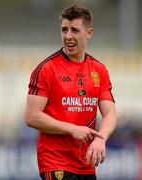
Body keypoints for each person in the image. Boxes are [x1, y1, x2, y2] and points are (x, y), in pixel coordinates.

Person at [25, 4, 117, 180]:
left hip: (86, 164)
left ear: (89, 33)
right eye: (64, 30)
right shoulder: (46, 69)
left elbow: (110, 113)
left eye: (74, 30)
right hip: (55, 162)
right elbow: (31, 117)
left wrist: (101, 138)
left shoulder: (99, 70)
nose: (68, 36)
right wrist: (72, 129)